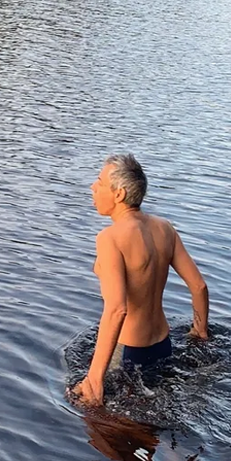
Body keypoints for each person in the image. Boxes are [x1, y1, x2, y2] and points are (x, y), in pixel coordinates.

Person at [72, 153, 209, 407]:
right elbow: (199, 286)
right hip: (163, 346)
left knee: (102, 429)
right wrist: (199, 332)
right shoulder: (164, 228)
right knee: (156, 417)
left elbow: (116, 309)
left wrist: (93, 378)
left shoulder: (110, 238)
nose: (93, 186)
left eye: (100, 182)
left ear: (119, 194)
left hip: (128, 351)